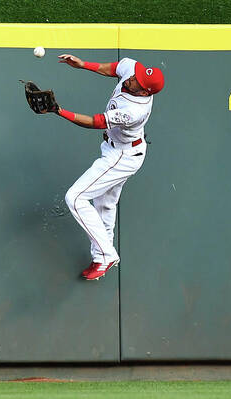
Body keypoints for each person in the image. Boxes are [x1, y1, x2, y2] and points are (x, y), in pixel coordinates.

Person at [55, 54, 164, 281]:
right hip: (115, 147)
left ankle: (107, 254)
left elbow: (95, 122)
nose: (133, 78)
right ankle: (100, 257)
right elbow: (114, 68)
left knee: (75, 198)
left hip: (122, 156)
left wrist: (58, 111)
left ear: (146, 92)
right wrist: (83, 64)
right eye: (138, 75)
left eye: (139, 82)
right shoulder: (135, 70)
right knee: (105, 204)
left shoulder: (135, 110)